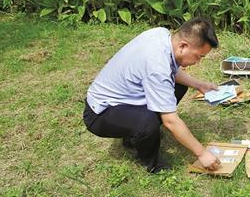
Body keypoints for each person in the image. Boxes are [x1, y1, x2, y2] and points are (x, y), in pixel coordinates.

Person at [83, 18, 222, 173]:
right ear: (183, 46)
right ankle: (151, 162)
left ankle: (136, 134)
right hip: (100, 113)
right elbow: (170, 121)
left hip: (122, 100)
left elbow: (172, 71)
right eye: (198, 56)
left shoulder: (161, 34)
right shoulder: (157, 67)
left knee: (179, 86)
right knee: (148, 123)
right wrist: (202, 153)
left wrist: (199, 85)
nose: (198, 62)